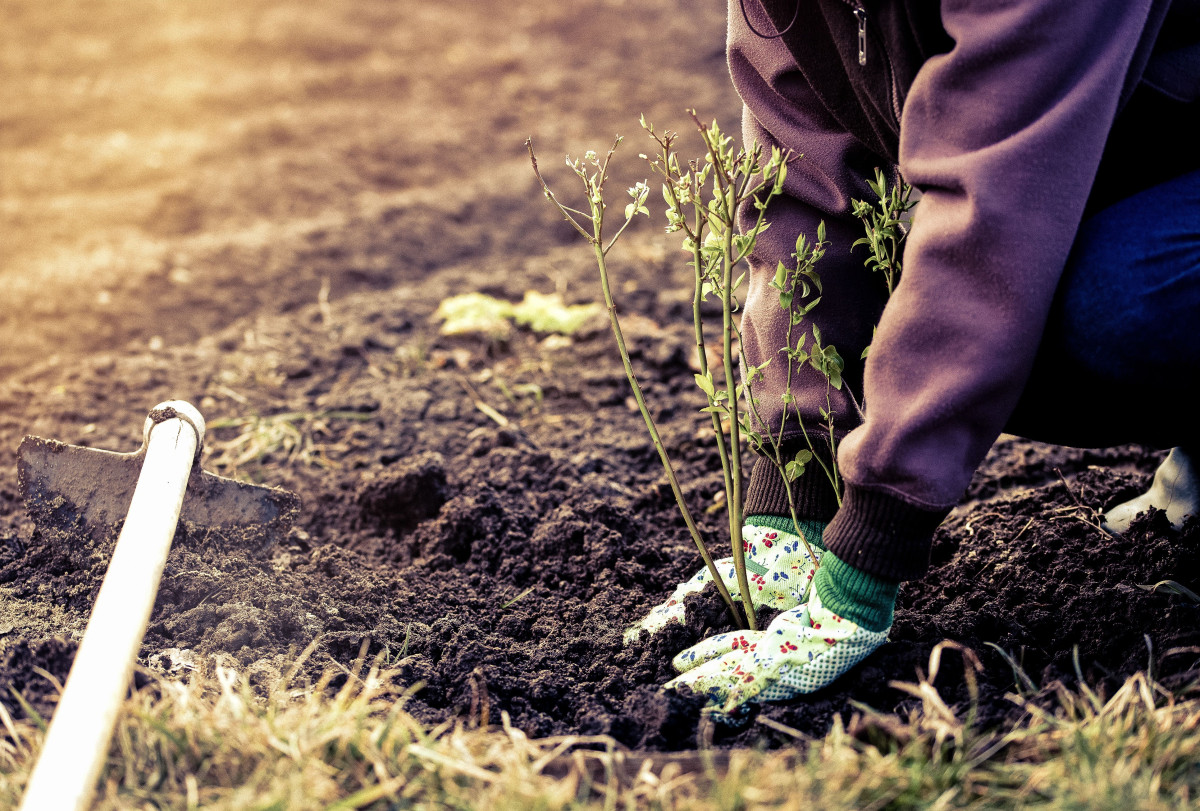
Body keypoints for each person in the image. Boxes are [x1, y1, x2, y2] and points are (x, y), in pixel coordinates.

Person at [627, 0, 1200, 718]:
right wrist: (792, 489)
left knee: (1103, 306)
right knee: (932, 311)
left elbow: (992, 219)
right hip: (1131, 151)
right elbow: (800, 176)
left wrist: (863, 566)